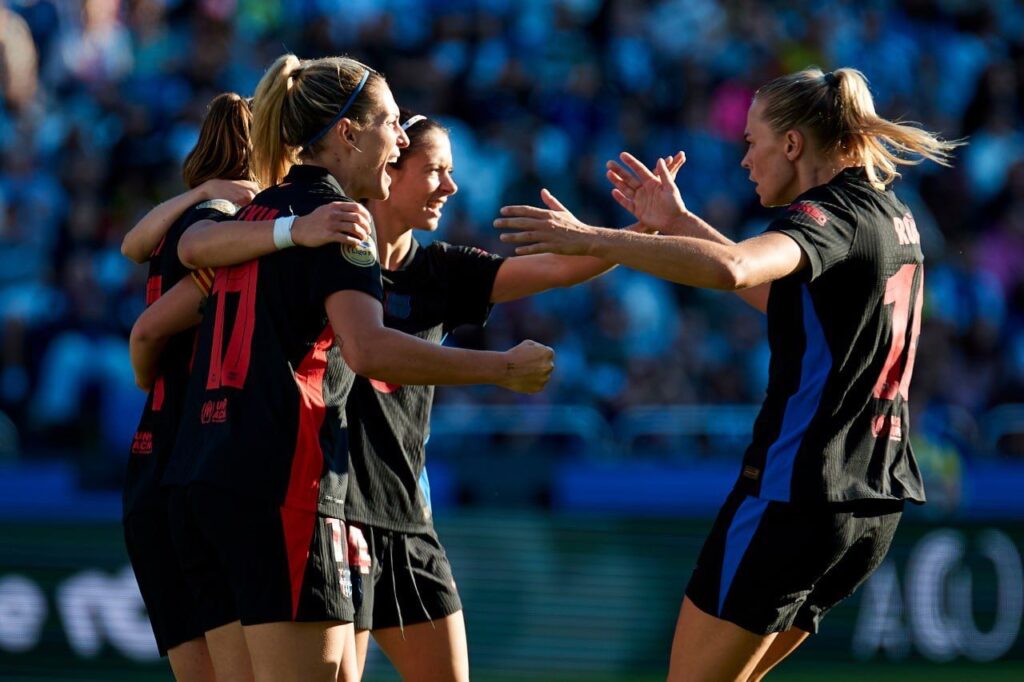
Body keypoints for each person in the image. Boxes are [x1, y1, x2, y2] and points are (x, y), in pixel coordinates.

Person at [496, 67, 962, 681]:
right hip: (870, 508)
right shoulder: (891, 215)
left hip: (794, 493)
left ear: (792, 144)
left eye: (751, 141)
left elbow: (738, 268)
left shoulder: (828, 216)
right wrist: (680, 224)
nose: (744, 158)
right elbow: (791, 306)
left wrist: (594, 240)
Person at [161, 54, 554, 682]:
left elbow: (166, 294)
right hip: (282, 484)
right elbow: (367, 349)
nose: (400, 141)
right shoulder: (343, 221)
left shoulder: (261, 216)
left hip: (200, 479)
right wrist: (500, 368)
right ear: (347, 134)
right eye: (392, 124)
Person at [343, 111, 681, 682]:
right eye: (434, 172)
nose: (451, 187)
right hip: (334, 511)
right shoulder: (326, 262)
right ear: (387, 171)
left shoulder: (441, 269)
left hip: (407, 515)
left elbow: (557, 268)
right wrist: (498, 369)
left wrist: (639, 229)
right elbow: (369, 352)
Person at [122, 91, 256, 682]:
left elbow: (132, 247)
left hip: (154, 457)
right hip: (191, 455)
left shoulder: (184, 216)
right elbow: (148, 333)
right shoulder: (225, 232)